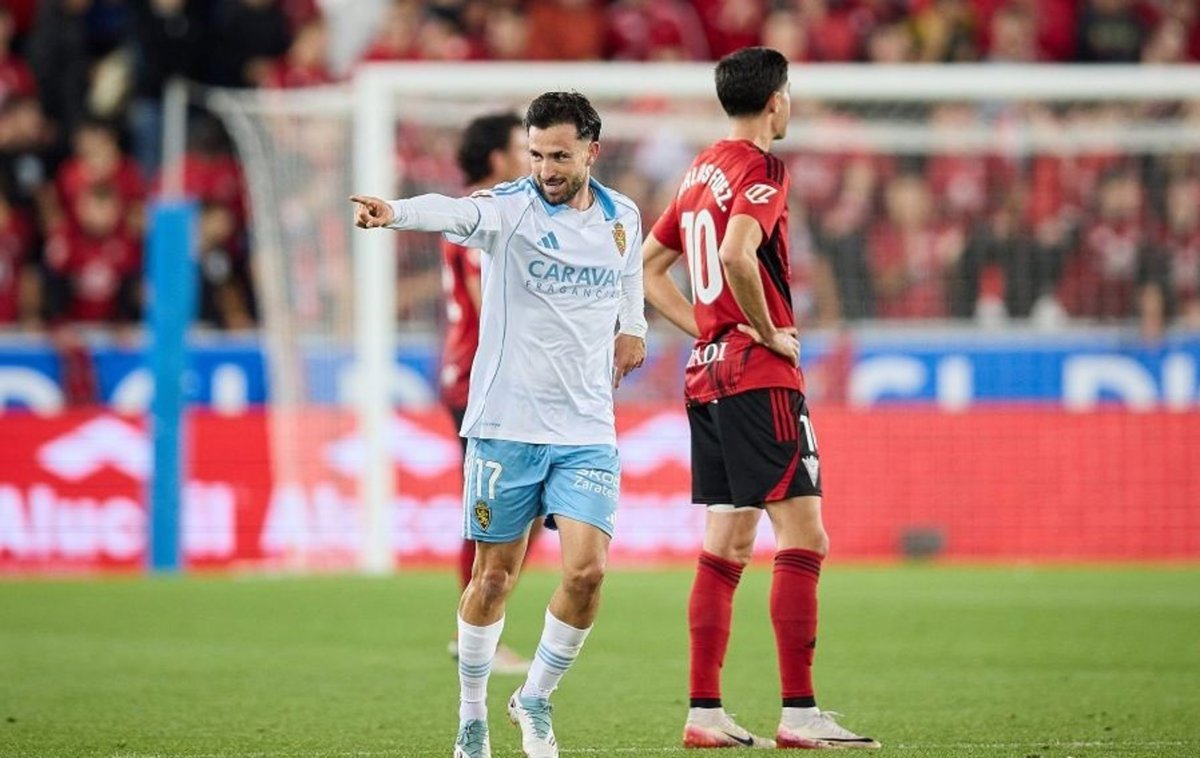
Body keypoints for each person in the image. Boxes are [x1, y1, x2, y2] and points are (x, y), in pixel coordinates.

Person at [351, 91, 647, 758]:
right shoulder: (509, 208)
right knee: (492, 579)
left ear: (592, 152)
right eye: (536, 154)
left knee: (587, 573)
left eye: (559, 156)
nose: (545, 169)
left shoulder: (622, 215)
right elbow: (453, 211)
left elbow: (630, 274)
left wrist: (633, 326)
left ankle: (535, 698)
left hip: (586, 429)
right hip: (506, 425)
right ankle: (471, 718)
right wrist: (394, 212)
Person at [641, 46, 880, 750]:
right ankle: (800, 713)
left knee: (727, 542)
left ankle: (704, 712)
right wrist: (768, 330)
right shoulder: (762, 168)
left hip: (707, 377)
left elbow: (648, 269)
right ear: (776, 100)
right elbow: (738, 252)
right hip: (757, 377)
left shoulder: (700, 168)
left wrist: (708, 328)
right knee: (806, 536)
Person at [441, 110, 533, 675]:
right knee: (491, 511)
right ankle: (474, 637)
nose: (532, 159)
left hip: (483, 376)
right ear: (498, 158)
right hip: (483, 380)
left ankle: (477, 632)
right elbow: (490, 299)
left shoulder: (480, 211)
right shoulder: (481, 214)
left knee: (514, 511)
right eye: (524, 148)